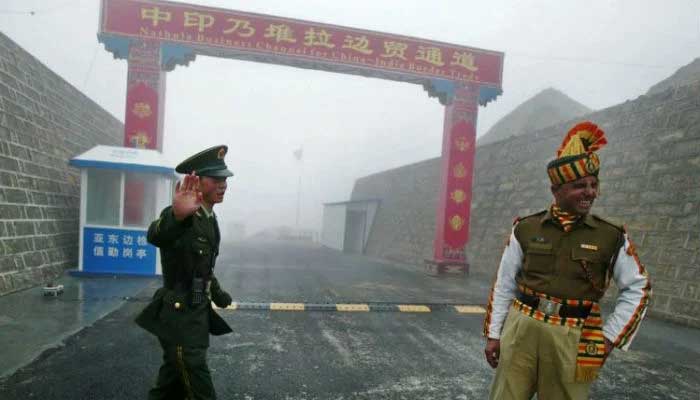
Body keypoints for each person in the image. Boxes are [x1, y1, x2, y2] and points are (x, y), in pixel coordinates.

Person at [482, 121, 652, 400]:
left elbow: (639, 287)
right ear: (555, 190)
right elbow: (504, 284)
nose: (590, 192)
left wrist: (609, 338)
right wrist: (494, 333)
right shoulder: (525, 228)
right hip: (521, 327)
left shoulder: (611, 235)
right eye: (579, 186)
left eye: (594, 184)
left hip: (574, 336)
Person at [136, 145, 235, 400]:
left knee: (171, 384)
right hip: (180, 318)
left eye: (225, 179)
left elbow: (202, 268)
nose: (223, 184)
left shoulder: (209, 218)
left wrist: (218, 293)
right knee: (197, 382)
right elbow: (155, 234)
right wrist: (177, 216)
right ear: (197, 182)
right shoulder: (181, 217)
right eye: (216, 179)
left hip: (196, 314)